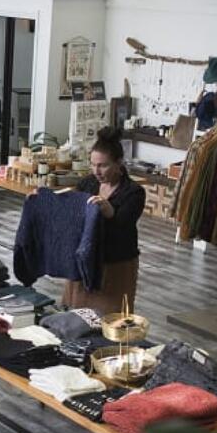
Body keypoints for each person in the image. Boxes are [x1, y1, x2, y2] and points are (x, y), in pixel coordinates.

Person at [63, 126, 146, 314]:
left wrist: (110, 212)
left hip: (117, 264)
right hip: (86, 260)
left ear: (119, 164)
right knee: (78, 317)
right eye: (93, 164)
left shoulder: (133, 192)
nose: (96, 171)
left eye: (103, 165)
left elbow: (124, 226)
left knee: (111, 318)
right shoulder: (88, 183)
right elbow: (73, 212)